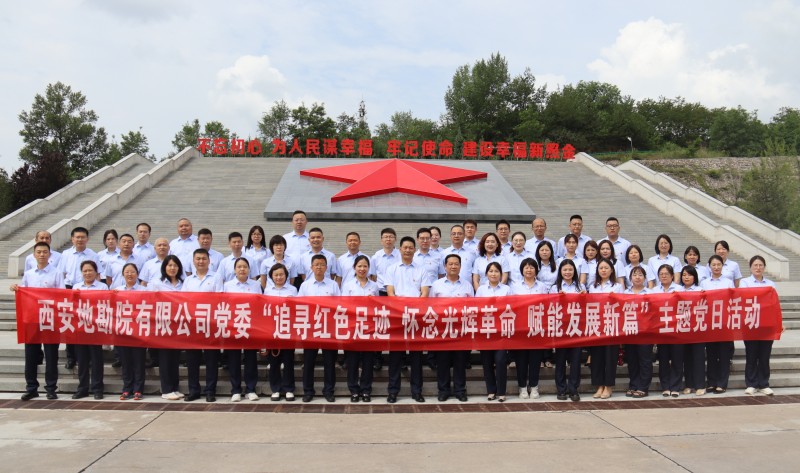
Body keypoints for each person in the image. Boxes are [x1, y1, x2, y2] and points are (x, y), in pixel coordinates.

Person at [12, 242, 64, 400]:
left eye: (45, 252)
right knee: (31, 355)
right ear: (34, 255)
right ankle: (31, 387)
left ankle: (51, 388)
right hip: (32, 319)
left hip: (50, 319)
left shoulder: (56, 273)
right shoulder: (29, 274)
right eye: (39, 252)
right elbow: (24, 293)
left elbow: (62, 295)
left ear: (49, 254)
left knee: (51, 355)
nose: (42, 254)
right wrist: (17, 289)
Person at [385, 236, 433, 403]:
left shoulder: (422, 270)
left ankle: (417, 391)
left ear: (414, 249)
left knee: (416, 357)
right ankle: (393, 391)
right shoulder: (391, 269)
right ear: (400, 249)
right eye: (404, 247)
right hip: (397, 317)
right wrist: (401, 309)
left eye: (410, 247)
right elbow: (390, 293)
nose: (407, 250)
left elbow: (424, 293)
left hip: (415, 317)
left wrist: (413, 309)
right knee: (395, 357)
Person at [430, 254, 474, 402]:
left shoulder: (467, 285)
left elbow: (472, 306)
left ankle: (460, 390)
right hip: (443, 329)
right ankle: (443, 390)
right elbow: (431, 306)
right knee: (442, 361)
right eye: (450, 264)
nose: (453, 266)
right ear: (445, 266)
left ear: (460, 267)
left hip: (461, 329)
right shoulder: (437, 285)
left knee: (460, 361)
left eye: (456, 264)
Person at [58, 226, 103, 369]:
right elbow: (61, 274)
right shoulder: (65, 254)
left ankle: (87, 357)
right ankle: (71, 357)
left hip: (88, 291)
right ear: (72, 239)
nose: (80, 239)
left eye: (83, 237)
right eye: (77, 237)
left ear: (87, 239)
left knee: (87, 324)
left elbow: (98, 274)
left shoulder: (93, 255)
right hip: (70, 289)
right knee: (70, 324)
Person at [182, 248, 223, 402]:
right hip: (193, 324)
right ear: (193, 261)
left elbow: (220, 299)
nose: (201, 261)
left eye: (203, 258)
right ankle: (193, 390)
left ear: (209, 261)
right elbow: (183, 300)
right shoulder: (188, 280)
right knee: (192, 360)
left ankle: (210, 390)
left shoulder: (216, 277)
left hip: (210, 324)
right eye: (198, 259)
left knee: (212, 359)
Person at [299, 254, 341, 403]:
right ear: (311, 267)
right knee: (309, 362)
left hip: (329, 328)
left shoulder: (333, 285)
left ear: (326, 267)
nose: (319, 267)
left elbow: (339, 305)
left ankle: (329, 391)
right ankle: (308, 391)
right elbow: (299, 306)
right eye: (316, 264)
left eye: (322, 264)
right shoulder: (305, 285)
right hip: (311, 328)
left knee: (329, 362)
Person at [341, 255, 380, 402]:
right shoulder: (348, 285)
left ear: (369, 268)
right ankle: (354, 390)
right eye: (359, 266)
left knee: (368, 361)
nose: (362, 269)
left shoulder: (374, 286)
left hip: (369, 328)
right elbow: (344, 306)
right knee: (353, 360)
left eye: (365, 266)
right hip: (353, 327)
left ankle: (366, 390)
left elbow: (377, 307)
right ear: (354, 268)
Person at [224, 257, 262, 402]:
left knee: (251, 358)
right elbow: (224, 305)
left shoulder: (255, 285)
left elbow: (259, 304)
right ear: (234, 270)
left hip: (250, 325)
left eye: (245, 267)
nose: (242, 269)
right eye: (239, 267)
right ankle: (236, 390)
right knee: (234, 358)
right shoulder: (228, 285)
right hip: (233, 326)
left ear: (249, 269)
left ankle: (251, 389)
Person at [741, 255, 779, 396]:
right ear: (750, 267)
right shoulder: (745, 282)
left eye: (760, 265)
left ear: (764, 267)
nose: (758, 268)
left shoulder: (770, 284)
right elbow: (745, 299)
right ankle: (751, 384)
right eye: (755, 265)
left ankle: (763, 384)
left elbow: (774, 304)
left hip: (766, 325)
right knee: (751, 355)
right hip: (750, 324)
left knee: (764, 356)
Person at [148, 255, 185, 400]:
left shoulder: (183, 283)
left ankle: (174, 387)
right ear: (164, 267)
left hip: (178, 324)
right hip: (162, 324)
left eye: (175, 265)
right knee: (165, 358)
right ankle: (166, 389)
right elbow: (149, 301)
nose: (172, 268)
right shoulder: (156, 283)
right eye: (169, 265)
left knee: (175, 358)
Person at [510, 258, 548, 399]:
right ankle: (522, 387)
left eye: (532, 267)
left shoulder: (542, 287)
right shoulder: (514, 287)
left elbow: (546, 305)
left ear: (536, 270)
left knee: (535, 359)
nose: (529, 270)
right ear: (522, 270)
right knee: (521, 360)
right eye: (526, 267)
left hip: (537, 327)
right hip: (520, 328)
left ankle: (534, 386)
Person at [475, 262, 512, 402]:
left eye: (496, 271)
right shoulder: (481, 290)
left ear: (501, 274)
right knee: (487, 362)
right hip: (486, 330)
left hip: (501, 331)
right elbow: (477, 308)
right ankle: (491, 391)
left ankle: (501, 392)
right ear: (486, 274)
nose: (493, 274)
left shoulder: (507, 289)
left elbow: (512, 307)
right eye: (490, 271)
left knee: (501, 361)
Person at [72, 260, 108, 399]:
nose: (87, 273)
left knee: (96, 359)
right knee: (82, 360)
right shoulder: (76, 287)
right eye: (85, 271)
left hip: (96, 328)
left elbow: (106, 305)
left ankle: (98, 388)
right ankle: (83, 388)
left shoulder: (103, 287)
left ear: (96, 272)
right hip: (80, 327)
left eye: (90, 270)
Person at [550, 259, 585, 401]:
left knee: (575, 361)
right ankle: (561, 389)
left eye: (570, 269)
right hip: (561, 328)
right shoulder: (554, 288)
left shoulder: (580, 286)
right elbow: (550, 307)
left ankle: (574, 389)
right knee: (560, 360)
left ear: (574, 271)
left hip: (576, 328)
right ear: (560, 271)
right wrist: (558, 298)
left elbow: (586, 307)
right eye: (565, 270)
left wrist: (584, 297)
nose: (567, 272)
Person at [588, 258, 623, 400]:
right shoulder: (593, 287)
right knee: (597, 357)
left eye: (606, 268)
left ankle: (608, 386)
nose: (603, 270)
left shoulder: (617, 286)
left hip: (611, 325)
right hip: (596, 324)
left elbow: (622, 305)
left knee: (610, 357)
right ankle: (599, 385)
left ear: (612, 270)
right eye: (601, 268)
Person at [702, 254, 736, 394]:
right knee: (711, 354)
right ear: (709, 267)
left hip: (724, 323)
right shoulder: (704, 283)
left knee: (724, 355)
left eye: (719, 264)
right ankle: (711, 382)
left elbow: (733, 300)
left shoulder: (728, 282)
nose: (716, 267)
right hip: (709, 323)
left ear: (723, 266)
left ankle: (722, 383)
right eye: (713, 265)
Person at [264, 263, 298, 401]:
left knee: (288, 360)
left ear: (286, 275)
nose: (279, 277)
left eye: (281, 274)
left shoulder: (293, 290)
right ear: (271, 276)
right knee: (274, 361)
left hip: (288, 329)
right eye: (276, 275)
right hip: (272, 329)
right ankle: (276, 389)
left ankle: (289, 389)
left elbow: (298, 309)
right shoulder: (267, 291)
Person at [114, 263, 146, 401]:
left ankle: (138, 389)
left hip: (139, 331)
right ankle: (127, 388)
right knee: (126, 362)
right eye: (127, 272)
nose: (129, 274)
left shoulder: (144, 290)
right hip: (123, 330)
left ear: (137, 274)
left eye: (132, 272)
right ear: (123, 274)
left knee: (139, 362)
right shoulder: (117, 291)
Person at [652, 264, 683, 397]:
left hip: (676, 330)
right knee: (663, 359)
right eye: (661, 274)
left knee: (677, 359)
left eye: (666, 274)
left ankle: (675, 386)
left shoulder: (679, 289)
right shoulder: (653, 290)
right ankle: (665, 386)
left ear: (672, 276)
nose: (664, 276)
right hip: (661, 329)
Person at [623, 266, 653, 398]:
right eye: (635, 275)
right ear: (630, 278)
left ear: (645, 278)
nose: (637, 277)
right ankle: (633, 384)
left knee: (645, 359)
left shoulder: (650, 293)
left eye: (640, 275)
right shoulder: (625, 293)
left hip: (645, 331)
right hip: (630, 330)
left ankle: (643, 386)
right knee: (632, 359)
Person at [678, 266, 706, 396]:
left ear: (694, 276)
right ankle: (689, 384)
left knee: (698, 357)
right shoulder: (678, 290)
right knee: (687, 358)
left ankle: (700, 385)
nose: (686, 277)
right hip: (683, 328)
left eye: (689, 275)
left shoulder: (700, 290)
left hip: (697, 328)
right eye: (684, 275)